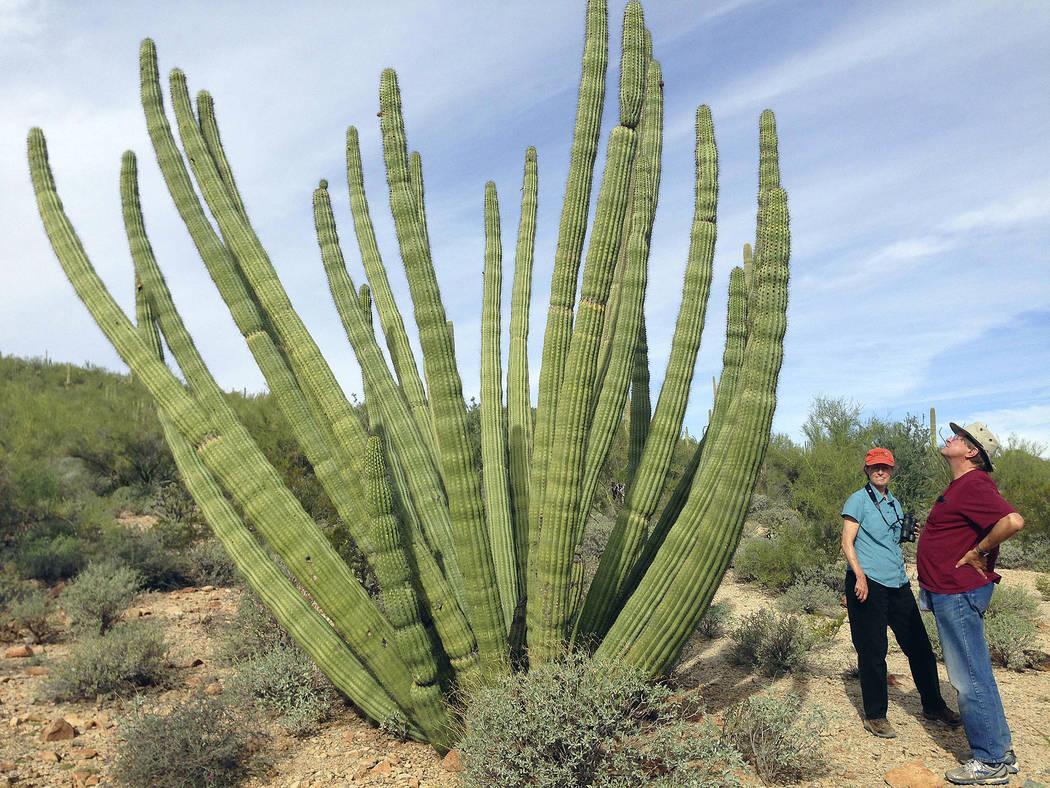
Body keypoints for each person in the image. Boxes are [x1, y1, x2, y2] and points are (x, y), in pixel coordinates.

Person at [918, 422, 1025, 786]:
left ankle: (989, 760)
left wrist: (978, 551)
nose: (949, 439)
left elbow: (1013, 521)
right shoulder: (962, 486)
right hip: (951, 591)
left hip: (959, 593)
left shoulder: (975, 483)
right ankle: (1001, 752)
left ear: (972, 451)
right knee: (977, 673)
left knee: (968, 677)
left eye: (958, 438)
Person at [841, 447, 960, 739]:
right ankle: (876, 715)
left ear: (892, 470)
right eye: (874, 467)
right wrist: (859, 576)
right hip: (868, 582)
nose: (880, 471)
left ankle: (933, 705)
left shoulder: (893, 502)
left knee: (919, 646)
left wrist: (908, 534)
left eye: (885, 467)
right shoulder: (858, 500)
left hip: (897, 582)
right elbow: (847, 542)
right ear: (866, 470)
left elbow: (892, 539)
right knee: (873, 651)